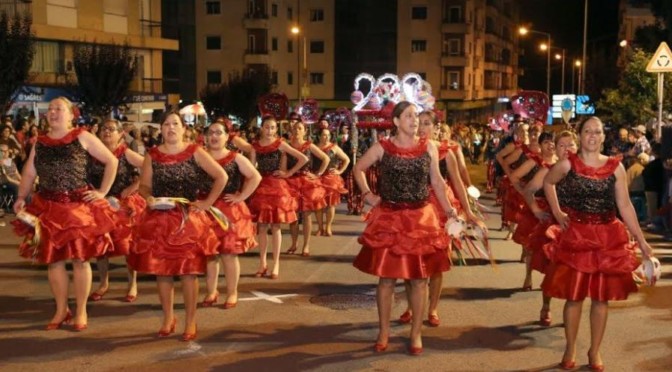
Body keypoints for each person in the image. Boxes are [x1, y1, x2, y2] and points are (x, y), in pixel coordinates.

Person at [542, 116, 654, 370]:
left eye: (598, 132)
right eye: (588, 131)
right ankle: (570, 348)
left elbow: (624, 206)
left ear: (604, 137)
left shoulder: (616, 167)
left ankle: (594, 351)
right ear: (580, 136)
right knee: (574, 297)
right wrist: (558, 213)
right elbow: (548, 182)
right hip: (577, 237)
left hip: (607, 237)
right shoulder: (568, 164)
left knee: (601, 299)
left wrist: (642, 240)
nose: (593, 136)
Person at [352, 101, 457, 355]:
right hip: (390, 218)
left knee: (419, 280)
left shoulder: (429, 146)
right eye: (409, 116)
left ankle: (416, 334)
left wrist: (449, 211)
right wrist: (368, 195)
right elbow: (358, 169)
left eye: (416, 116)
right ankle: (384, 332)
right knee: (387, 279)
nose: (415, 120)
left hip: (421, 219)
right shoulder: (382, 147)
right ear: (397, 122)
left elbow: (437, 182)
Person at [12, 97, 119, 331]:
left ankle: (80, 310)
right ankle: (61, 309)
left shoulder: (82, 136)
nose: (52, 112)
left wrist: (102, 192)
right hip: (48, 207)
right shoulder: (40, 143)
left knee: (80, 260)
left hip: (78, 208)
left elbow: (112, 161)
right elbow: (29, 174)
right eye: (50, 109)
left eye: (58, 109)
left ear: (71, 115)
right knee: (54, 262)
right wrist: (21, 197)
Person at [128, 111, 227, 341]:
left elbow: (221, 176)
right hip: (159, 220)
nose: (171, 128)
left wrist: (207, 203)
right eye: (166, 124)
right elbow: (144, 186)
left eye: (175, 124)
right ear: (160, 129)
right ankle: (168, 317)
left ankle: (190, 321)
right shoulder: (152, 155)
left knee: (188, 274)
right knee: (162, 273)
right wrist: (149, 198)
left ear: (184, 128)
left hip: (188, 221)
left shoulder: (195, 151)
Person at [397, 110, 485, 328]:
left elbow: (457, 184)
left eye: (427, 123)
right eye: (420, 123)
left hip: (441, 211)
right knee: (412, 263)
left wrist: (469, 212)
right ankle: (411, 306)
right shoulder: (409, 150)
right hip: (414, 211)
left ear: (436, 128)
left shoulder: (447, 152)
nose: (422, 127)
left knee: (436, 265)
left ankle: (432, 308)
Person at [199, 120, 261, 308]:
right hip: (204, 209)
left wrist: (242, 196)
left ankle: (232, 293)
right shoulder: (200, 156)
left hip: (228, 211)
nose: (214, 136)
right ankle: (211, 291)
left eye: (219, 132)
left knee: (228, 255)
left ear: (227, 137)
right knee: (209, 255)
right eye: (211, 133)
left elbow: (255, 177)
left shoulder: (235, 158)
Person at [521, 131, 577, 326]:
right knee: (552, 272)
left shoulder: (584, 170)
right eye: (562, 145)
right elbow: (528, 190)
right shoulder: (548, 170)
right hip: (555, 227)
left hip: (580, 230)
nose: (566, 149)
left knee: (576, 272)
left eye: (570, 145)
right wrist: (536, 211)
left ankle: (571, 312)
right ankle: (546, 306)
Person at [88, 119, 146, 303]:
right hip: (99, 204)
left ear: (121, 134)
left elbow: (149, 167)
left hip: (123, 204)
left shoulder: (125, 153)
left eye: (112, 129)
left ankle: (132, 284)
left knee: (127, 245)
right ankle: (103, 283)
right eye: (104, 128)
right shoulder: (92, 153)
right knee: (101, 247)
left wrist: (134, 186)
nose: (107, 132)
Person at [247, 116, 308, 279]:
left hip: (277, 187)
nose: (270, 131)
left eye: (273, 128)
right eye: (267, 127)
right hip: (261, 187)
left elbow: (303, 159)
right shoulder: (255, 147)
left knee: (275, 227)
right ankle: (262, 263)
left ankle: (276, 264)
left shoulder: (280, 144)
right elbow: (251, 170)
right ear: (261, 128)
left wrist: (288, 173)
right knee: (261, 227)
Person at [284, 121, 329, 256]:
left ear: (304, 132)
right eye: (295, 128)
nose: (297, 131)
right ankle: (294, 243)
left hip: (306, 183)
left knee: (307, 215)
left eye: (300, 128)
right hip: (290, 183)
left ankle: (306, 245)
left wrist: (317, 174)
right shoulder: (287, 146)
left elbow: (325, 158)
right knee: (293, 217)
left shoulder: (309, 146)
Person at [314, 124, 350, 236]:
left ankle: (328, 226)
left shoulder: (334, 147)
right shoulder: (314, 147)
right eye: (324, 135)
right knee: (318, 204)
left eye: (328, 135)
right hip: (317, 178)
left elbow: (346, 159)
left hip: (331, 178)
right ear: (319, 136)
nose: (326, 137)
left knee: (331, 204)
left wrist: (339, 171)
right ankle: (320, 228)